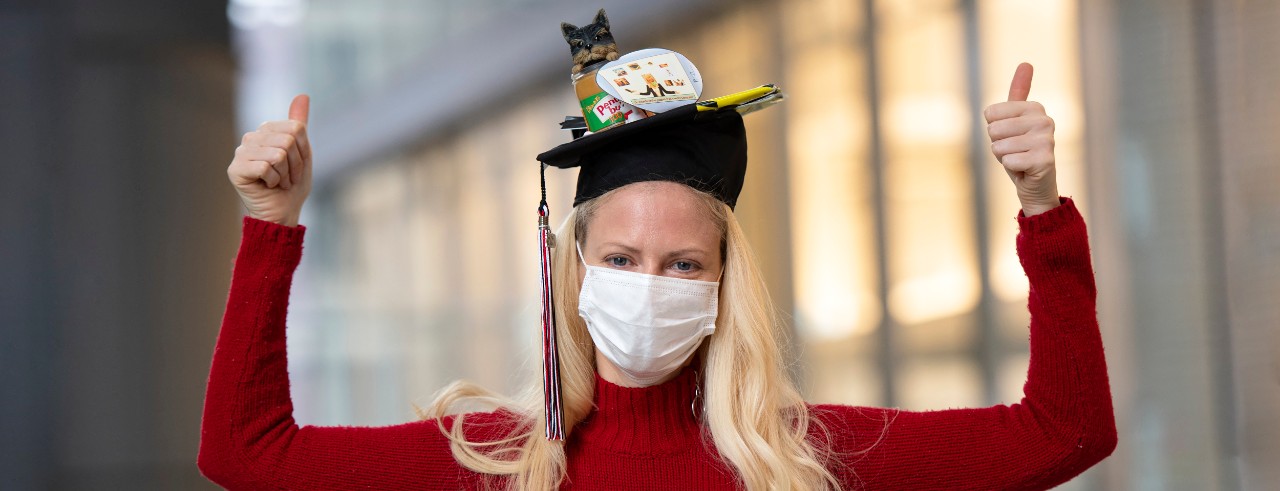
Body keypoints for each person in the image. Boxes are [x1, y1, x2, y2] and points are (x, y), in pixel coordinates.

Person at [198, 62, 1117, 490]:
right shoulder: (493, 462)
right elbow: (246, 453)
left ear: (724, 288)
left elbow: (1065, 432)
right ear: (574, 273)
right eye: (622, 260)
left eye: (683, 263)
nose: (649, 285)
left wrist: (1042, 206)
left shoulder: (805, 460)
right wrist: (271, 226)